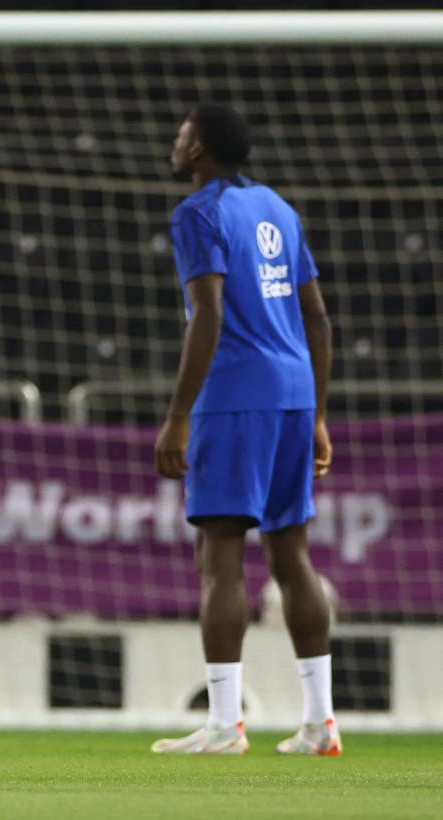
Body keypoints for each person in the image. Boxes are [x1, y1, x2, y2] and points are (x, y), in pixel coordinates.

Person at [151, 103, 340, 756]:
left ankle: (225, 724)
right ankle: (320, 724)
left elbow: (207, 314)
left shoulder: (198, 212)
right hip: (291, 396)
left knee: (220, 557)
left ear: (199, 148)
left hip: (235, 398)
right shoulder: (278, 210)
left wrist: (177, 416)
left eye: (181, 134)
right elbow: (316, 318)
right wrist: (316, 413)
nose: (174, 142)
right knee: (292, 555)